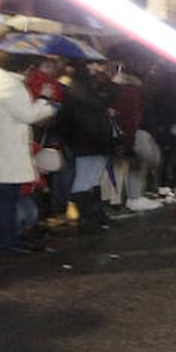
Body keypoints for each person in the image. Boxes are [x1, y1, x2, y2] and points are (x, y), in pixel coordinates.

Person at [0, 49, 55, 253]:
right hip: (7, 151)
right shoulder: (9, 85)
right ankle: (6, 242)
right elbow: (27, 115)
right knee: (6, 200)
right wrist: (44, 100)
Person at [56, 62, 116, 234]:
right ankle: (88, 217)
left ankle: (91, 215)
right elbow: (102, 103)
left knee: (90, 178)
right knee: (86, 179)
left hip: (86, 140)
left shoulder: (77, 89)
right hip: (90, 139)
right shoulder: (84, 89)